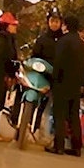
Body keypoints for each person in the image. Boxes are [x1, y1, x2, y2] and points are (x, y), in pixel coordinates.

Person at [48, 15, 84, 156]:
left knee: (59, 115)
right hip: (75, 86)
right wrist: (82, 84)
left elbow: (58, 63)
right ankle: (76, 147)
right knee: (73, 116)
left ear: (65, 25)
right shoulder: (82, 44)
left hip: (61, 83)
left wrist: (54, 80)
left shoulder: (63, 41)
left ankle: (58, 146)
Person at [30, 8, 62, 138]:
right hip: (41, 75)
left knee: (49, 107)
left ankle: (45, 132)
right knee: (34, 101)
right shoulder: (42, 39)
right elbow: (34, 56)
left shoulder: (63, 40)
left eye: (57, 21)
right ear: (48, 22)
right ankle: (26, 125)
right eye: (52, 21)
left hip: (57, 77)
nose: (54, 24)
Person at [0, 12, 19, 142]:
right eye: (13, 25)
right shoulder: (1, 40)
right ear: (7, 26)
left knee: (0, 103)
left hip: (4, 76)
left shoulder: (8, 38)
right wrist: (6, 73)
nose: (15, 27)